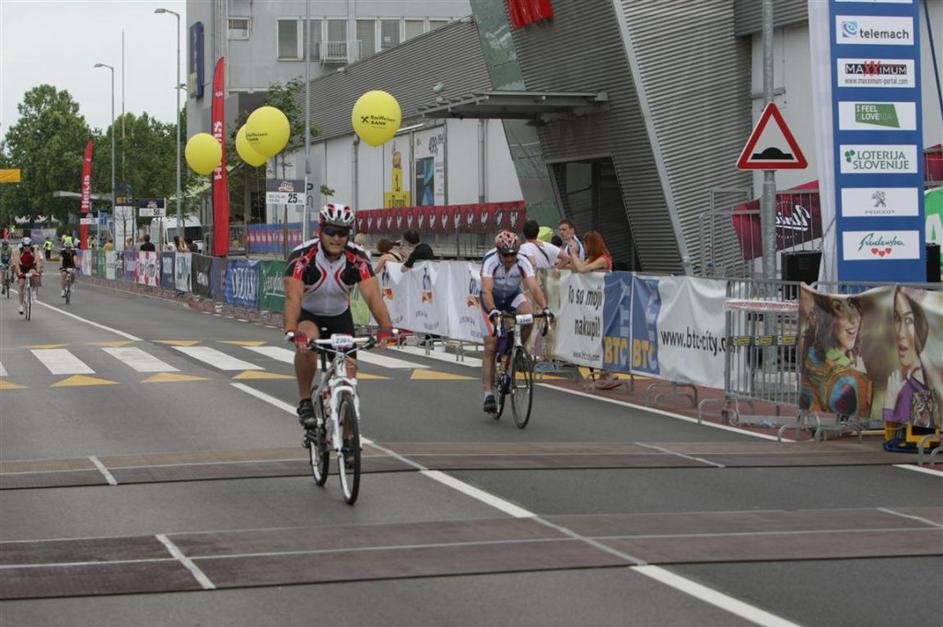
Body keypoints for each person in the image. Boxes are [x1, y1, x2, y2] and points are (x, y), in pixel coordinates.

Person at [283, 202, 394, 430]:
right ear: (320, 231)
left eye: (342, 233)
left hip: (340, 317)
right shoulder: (302, 256)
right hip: (310, 314)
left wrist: (386, 327)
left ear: (348, 235)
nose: (336, 238)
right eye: (330, 231)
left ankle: (348, 437)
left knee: (349, 380)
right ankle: (305, 401)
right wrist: (292, 330)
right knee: (307, 343)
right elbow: (293, 297)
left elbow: (373, 296)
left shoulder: (357, 258)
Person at [480, 230, 552, 414]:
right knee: (490, 346)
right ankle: (488, 393)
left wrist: (545, 308)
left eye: (513, 254)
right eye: (506, 255)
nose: (510, 258)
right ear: (499, 252)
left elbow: (533, 286)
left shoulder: (522, 260)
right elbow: (487, 290)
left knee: (528, 314)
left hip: (512, 296)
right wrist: (493, 310)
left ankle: (517, 349)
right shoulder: (490, 261)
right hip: (492, 300)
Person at [799, 292, 872, 418]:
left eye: (852, 306)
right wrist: (863, 375)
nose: (853, 319)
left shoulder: (848, 357)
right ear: (827, 318)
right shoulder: (847, 373)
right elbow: (864, 410)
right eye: (839, 308)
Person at [883, 287, 941, 429]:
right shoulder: (899, 380)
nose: (901, 333)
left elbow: (918, 430)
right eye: (896, 318)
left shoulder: (918, 385)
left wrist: (889, 403)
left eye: (909, 320)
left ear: (920, 327)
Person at [568, 231, 619, 389]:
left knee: (605, 336)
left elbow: (582, 270)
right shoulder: (593, 259)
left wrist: (574, 254)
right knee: (598, 337)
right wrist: (574, 256)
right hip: (595, 304)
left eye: (585, 244)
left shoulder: (603, 259)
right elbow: (576, 270)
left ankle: (609, 372)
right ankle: (604, 373)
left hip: (606, 301)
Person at [12, 237, 41, 315]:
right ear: (22, 245)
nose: (27, 247)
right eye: (25, 245)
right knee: (21, 284)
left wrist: (38, 272)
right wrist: (19, 273)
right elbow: (17, 263)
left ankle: (34, 291)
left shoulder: (34, 250)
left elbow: (38, 260)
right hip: (22, 267)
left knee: (34, 274)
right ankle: (21, 305)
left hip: (31, 266)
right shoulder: (19, 251)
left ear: (31, 245)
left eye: (28, 245)